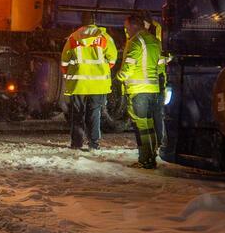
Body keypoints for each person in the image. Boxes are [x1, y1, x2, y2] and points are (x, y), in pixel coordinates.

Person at [61, 17, 118, 150]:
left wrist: (70, 74)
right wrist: (100, 70)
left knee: (77, 113)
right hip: (98, 84)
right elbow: (112, 59)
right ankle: (94, 143)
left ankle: (77, 143)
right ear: (94, 22)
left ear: (81, 22)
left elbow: (64, 60)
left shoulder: (73, 38)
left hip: (79, 83)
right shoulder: (105, 38)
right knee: (94, 113)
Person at [118, 11, 164, 168]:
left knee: (141, 126)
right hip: (152, 89)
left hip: (138, 90)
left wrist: (119, 76)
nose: (126, 31)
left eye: (127, 27)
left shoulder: (136, 41)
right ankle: (151, 156)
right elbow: (160, 64)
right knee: (149, 125)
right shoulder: (154, 41)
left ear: (134, 26)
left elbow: (128, 66)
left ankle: (145, 159)